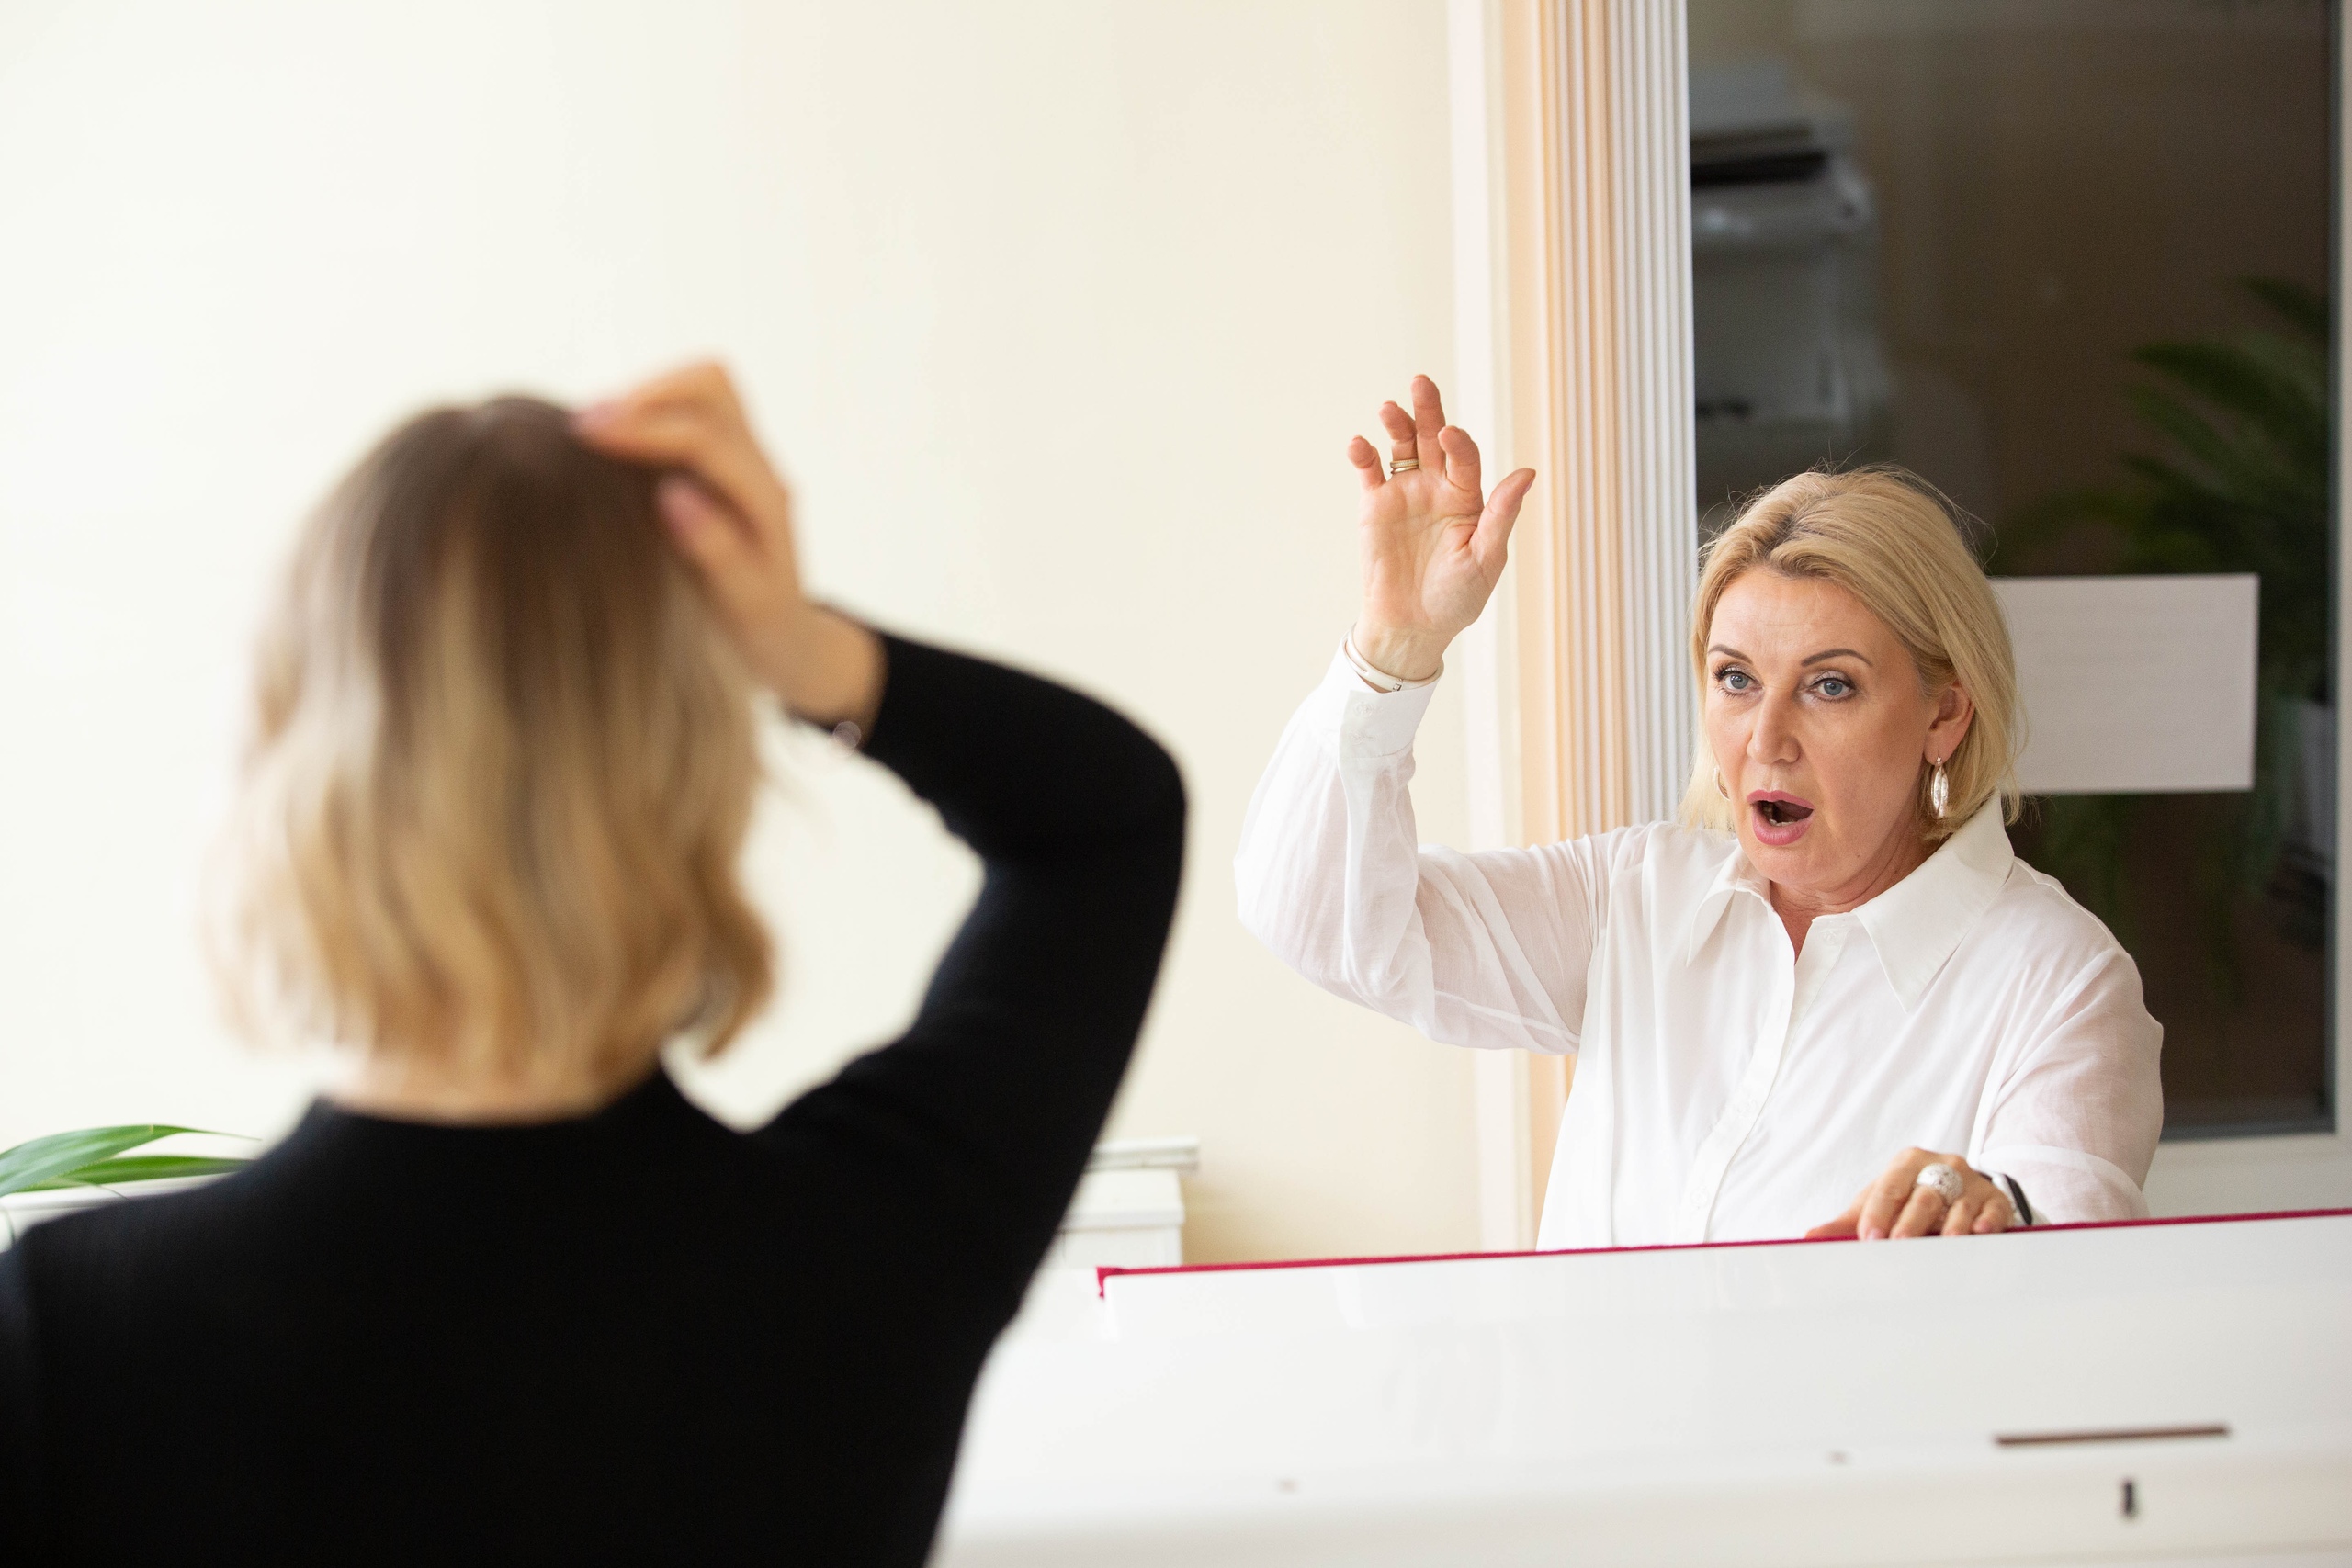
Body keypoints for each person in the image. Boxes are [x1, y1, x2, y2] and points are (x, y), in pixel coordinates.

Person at [0, 367, 1185, 1563]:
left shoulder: (74, 1338)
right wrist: (801, 647)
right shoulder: (862, 1262)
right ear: (690, 766)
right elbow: (1106, 825)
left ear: (284, 749)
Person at [1237, 375, 2161, 1250]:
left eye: (1830, 685)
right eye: (1736, 679)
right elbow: (1323, 925)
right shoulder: (1634, 897)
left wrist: (1998, 1218)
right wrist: (1391, 652)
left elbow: (2073, 1247)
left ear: (1944, 714)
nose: (1766, 738)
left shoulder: (2059, 981)